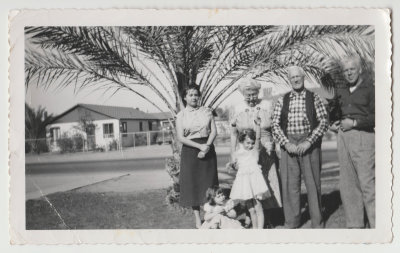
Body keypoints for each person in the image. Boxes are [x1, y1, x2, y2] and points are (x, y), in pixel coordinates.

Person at [272, 66, 328, 228]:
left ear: (303, 78)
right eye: (292, 78)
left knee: (313, 185)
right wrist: (286, 143)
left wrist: (309, 142)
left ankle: (317, 222)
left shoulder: (314, 97)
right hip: (288, 145)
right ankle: (292, 222)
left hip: (309, 144)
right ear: (289, 80)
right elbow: (275, 124)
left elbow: (324, 121)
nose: (296, 80)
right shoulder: (282, 99)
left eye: (298, 76)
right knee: (290, 186)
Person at [330, 55, 375, 228]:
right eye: (346, 70)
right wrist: (333, 123)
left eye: (352, 69)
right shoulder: (340, 90)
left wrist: (355, 123)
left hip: (363, 136)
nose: (349, 73)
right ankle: (355, 226)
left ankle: (376, 226)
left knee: (367, 184)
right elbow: (334, 112)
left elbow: (378, 116)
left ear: (359, 70)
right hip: (343, 137)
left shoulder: (370, 89)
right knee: (348, 185)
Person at [229, 78, 282, 222]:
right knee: (248, 183)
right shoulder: (237, 108)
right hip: (246, 151)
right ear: (243, 94)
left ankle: (269, 216)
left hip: (266, 148)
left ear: (258, 92)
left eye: (254, 93)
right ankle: (249, 215)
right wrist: (233, 154)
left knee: (266, 182)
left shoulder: (267, 105)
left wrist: (274, 144)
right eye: (248, 94)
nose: (251, 97)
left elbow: (275, 128)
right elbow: (233, 134)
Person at [176, 85, 219, 229]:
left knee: (209, 183)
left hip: (207, 148)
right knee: (192, 185)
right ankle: (197, 219)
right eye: (190, 95)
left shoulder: (207, 111)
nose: (194, 97)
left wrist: (206, 146)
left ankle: (211, 215)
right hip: (190, 151)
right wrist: (199, 147)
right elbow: (181, 137)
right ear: (185, 97)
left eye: (196, 95)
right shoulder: (181, 115)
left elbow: (213, 131)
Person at [230, 118, 270, 229]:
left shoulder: (254, 151)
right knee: (251, 209)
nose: (250, 145)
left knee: (257, 206)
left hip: (255, 182)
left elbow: (258, 137)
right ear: (242, 141)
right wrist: (233, 165)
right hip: (244, 183)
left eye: (252, 143)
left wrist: (258, 125)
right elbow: (236, 166)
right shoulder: (238, 152)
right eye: (248, 143)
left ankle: (260, 229)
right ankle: (255, 229)